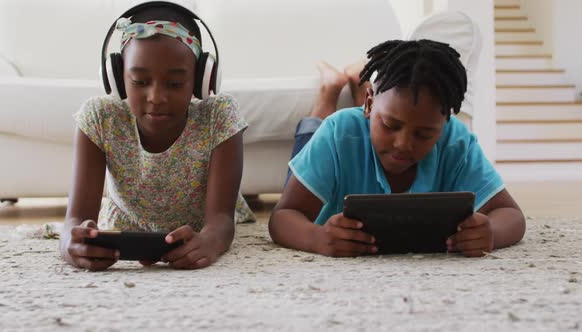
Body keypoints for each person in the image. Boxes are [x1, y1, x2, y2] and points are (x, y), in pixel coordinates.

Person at [270, 39, 526, 258]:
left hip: (366, 124)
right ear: (368, 105)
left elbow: (511, 215)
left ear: (444, 123)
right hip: (336, 135)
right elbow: (283, 217)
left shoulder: (455, 141)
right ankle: (330, 86)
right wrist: (317, 237)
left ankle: (360, 85)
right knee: (313, 129)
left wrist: (491, 232)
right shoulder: (338, 133)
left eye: (424, 134)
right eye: (391, 125)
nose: (403, 144)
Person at [59, 2, 255, 271]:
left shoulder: (218, 116)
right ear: (117, 77)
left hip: (199, 228)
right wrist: (72, 244)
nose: (156, 98)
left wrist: (209, 241)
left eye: (175, 84)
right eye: (140, 82)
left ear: (202, 79)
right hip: (123, 225)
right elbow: (75, 219)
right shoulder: (99, 117)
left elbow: (221, 219)